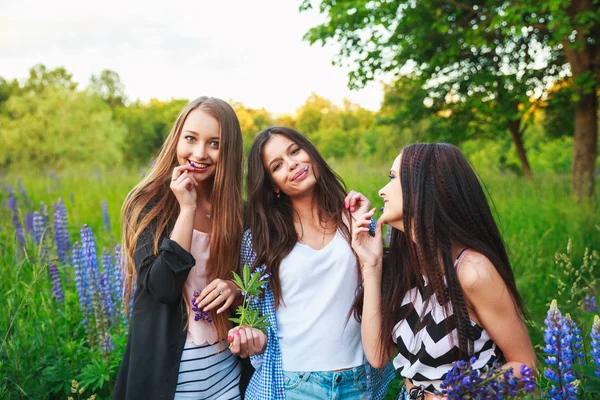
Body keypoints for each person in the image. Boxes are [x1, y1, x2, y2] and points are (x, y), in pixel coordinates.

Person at [351, 143, 537, 400]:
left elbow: (525, 366)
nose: (382, 191)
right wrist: (371, 265)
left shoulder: (472, 271)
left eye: (393, 178)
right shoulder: (409, 266)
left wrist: (462, 394)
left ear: (424, 187)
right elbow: (377, 355)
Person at [229, 126, 394, 400]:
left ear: (311, 152)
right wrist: (251, 337)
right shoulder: (260, 241)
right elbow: (257, 318)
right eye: (278, 165)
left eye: (295, 151)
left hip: (358, 380)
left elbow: (378, 295)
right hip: (294, 384)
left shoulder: (354, 221)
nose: (292, 164)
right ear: (273, 184)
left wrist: (365, 229)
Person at [113, 96, 246, 400]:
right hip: (171, 378)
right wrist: (186, 210)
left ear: (229, 151)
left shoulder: (239, 212)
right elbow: (163, 288)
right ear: (177, 139)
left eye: (215, 143)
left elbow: (261, 284)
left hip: (226, 373)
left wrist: (235, 289)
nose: (199, 153)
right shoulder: (148, 205)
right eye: (191, 138)